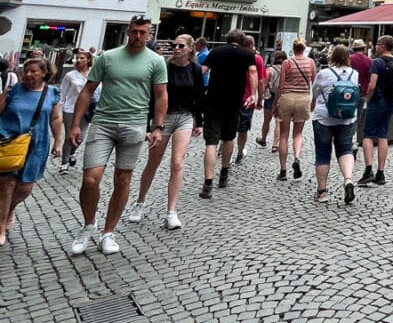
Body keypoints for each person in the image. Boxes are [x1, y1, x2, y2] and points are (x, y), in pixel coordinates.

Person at [68, 15, 167, 255]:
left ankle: (108, 232)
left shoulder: (156, 61)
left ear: (149, 34)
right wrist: (76, 124)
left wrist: (157, 127)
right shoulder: (107, 57)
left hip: (134, 125)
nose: (138, 37)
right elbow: (87, 90)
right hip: (103, 122)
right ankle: (88, 225)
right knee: (91, 178)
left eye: (143, 33)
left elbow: (161, 95)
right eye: (135, 32)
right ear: (128, 32)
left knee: (122, 179)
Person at [127, 34, 204, 230]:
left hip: (184, 117)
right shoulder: (164, 67)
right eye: (174, 45)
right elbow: (152, 98)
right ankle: (140, 202)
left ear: (190, 49)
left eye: (180, 46)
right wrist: (149, 126)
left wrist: (199, 121)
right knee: (153, 162)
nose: (176, 48)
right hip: (164, 118)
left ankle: (171, 212)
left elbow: (199, 96)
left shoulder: (195, 70)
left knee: (177, 163)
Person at [0, 57, 62, 247]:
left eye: (33, 71)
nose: (27, 74)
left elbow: (56, 119)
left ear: (44, 73)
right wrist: (3, 97)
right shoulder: (14, 90)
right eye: (25, 71)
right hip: (9, 140)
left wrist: (58, 142)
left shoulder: (52, 92)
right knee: (6, 186)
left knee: (25, 188)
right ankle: (1, 226)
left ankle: (10, 208)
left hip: (36, 145)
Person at [198, 30, 257, 199]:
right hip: (234, 102)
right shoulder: (247, 54)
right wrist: (252, 94)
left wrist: (196, 91)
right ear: (242, 40)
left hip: (213, 101)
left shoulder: (216, 52)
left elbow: (202, 71)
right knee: (229, 138)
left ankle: (207, 183)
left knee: (211, 142)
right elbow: (252, 73)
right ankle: (224, 173)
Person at [310, 45, 358, 204]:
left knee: (323, 153)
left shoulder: (324, 74)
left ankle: (322, 192)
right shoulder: (354, 74)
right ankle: (348, 180)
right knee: (345, 148)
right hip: (347, 118)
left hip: (324, 118)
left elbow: (315, 93)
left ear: (333, 56)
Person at [358, 35, 393, 187]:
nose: (375, 46)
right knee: (383, 134)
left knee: (367, 134)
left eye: (378, 44)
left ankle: (368, 170)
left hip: (377, 101)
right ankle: (381, 172)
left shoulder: (377, 62)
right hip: (390, 102)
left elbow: (372, 84)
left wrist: (369, 97)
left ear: (383, 46)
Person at [274, 39, 317, 182]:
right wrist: (313, 101)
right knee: (298, 134)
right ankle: (297, 158)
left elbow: (281, 86)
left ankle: (283, 170)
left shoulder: (287, 63)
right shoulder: (311, 63)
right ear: (304, 49)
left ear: (293, 48)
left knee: (284, 135)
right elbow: (315, 84)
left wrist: (275, 104)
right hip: (303, 98)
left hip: (287, 98)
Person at [58, 50, 96, 173]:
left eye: (82, 58)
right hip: (70, 108)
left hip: (87, 109)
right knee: (70, 135)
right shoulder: (70, 75)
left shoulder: (94, 74)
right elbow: (63, 93)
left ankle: (72, 154)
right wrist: (59, 107)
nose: (78, 60)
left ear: (88, 60)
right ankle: (64, 163)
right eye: (77, 58)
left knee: (81, 137)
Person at [235, 35, 266, 165]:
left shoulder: (234, 56)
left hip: (231, 97)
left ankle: (221, 147)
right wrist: (260, 99)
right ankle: (240, 151)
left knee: (228, 124)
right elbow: (261, 81)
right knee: (243, 128)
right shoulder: (257, 59)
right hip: (248, 99)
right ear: (252, 45)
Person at [257, 52, 286, 151]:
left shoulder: (269, 70)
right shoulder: (287, 70)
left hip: (270, 96)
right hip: (282, 97)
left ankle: (263, 139)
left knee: (266, 121)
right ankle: (275, 144)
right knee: (278, 121)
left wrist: (260, 98)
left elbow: (264, 84)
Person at [349, 39, 372, 159]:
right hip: (362, 92)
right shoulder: (369, 60)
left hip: (348, 93)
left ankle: (348, 141)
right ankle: (354, 141)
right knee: (357, 118)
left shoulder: (350, 59)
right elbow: (370, 78)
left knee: (347, 116)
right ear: (363, 48)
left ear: (354, 48)